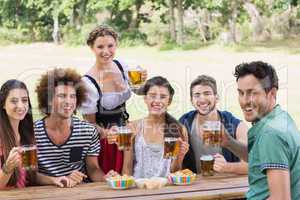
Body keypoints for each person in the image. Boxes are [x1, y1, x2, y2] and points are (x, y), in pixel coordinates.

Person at [223, 61, 300, 199]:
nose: (244, 101)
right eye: (241, 93)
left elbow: (280, 198)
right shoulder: (280, 118)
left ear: (272, 93)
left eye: (252, 93)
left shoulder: (270, 134)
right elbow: (258, 159)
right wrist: (229, 142)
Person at [80, 25, 147, 174]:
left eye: (110, 46)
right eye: (100, 47)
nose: (106, 51)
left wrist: (143, 82)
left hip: (128, 134)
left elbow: (140, 91)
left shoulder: (122, 66)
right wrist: (107, 133)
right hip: (106, 142)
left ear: (116, 45)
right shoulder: (88, 82)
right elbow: (89, 124)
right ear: (92, 48)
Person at [34, 68, 114, 188]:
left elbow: (93, 169)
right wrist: (55, 180)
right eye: (62, 96)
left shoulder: (88, 132)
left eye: (73, 96)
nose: (68, 101)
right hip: (45, 193)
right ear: (49, 100)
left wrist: (105, 178)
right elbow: (30, 175)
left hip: (79, 191)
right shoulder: (33, 132)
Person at [121, 76, 189, 178]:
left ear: (169, 101)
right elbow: (127, 168)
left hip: (167, 190)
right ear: (145, 98)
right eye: (152, 96)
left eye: (163, 97)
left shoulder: (179, 129)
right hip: (139, 189)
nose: (157, 101)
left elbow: (175, 172)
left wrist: (179, 157)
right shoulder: (133, 127)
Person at [179, 75, 248, 175]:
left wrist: (227, 167)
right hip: (196, 186)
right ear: (191, 100)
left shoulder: (236, 126)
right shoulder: (184, 123)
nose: (202, 99)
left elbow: (253, 165)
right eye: (197, 95)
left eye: (207, 93)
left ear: (217, 98)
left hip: (228, 186)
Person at [0, 80, 36, 189]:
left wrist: (54, 179)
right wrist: (7, 168)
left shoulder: (27, 135)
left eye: (24, 100)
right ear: (3, 104)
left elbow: (29, 175)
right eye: (14, 101)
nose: (20, 106)